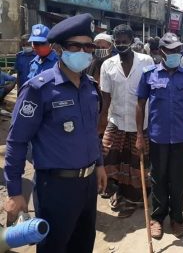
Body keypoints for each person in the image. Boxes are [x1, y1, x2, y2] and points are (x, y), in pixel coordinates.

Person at [3, 13, 107, 253]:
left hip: (88, 184)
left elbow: (91, 132)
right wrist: (15, 192)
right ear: (59, 49)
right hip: (56, 188)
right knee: (54, 247)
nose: (83, 52)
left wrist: (99, 164)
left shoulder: (91, 88)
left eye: (88, 46)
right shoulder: (39, 89)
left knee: (83, 244)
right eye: (75, 46)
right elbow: (17, 142)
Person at [136, 32, 183, 239]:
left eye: (178, 50)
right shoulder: (149, 74)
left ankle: (177, 218)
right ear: (161, 52)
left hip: (181, 138)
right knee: (158, 178)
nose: (175, 54)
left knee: (178, 180)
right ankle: (157, 217)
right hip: (157, 138)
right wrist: (139, 134)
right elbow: (140, 105)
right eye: (171, 50)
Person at [99, 24, 154, 218]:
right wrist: (102, 122)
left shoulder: (146, 61)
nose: (121, 45)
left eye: (125, 41)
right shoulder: (108, 65)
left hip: (141, 122)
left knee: (136, 162)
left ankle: (134, 198)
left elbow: (151, 93)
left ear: (132, 41)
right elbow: (105, 98)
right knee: (108, 155)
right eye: (118, 42)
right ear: (114, 43)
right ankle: (117, 190)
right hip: (117, 120)